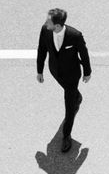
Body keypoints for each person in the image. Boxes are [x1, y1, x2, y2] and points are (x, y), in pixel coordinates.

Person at [36, 8, 92, 152]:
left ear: (58, 26)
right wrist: (39, 71)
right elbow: (41, 50)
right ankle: (77, 96)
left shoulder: (75, 36)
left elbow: (84, 54)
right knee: (73, 95)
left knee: (69, 106)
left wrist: (87, 72)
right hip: (55, 71)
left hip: (72, 75)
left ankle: (66, 136)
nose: (45, 23)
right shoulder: (45, 30)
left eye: (48, 21)